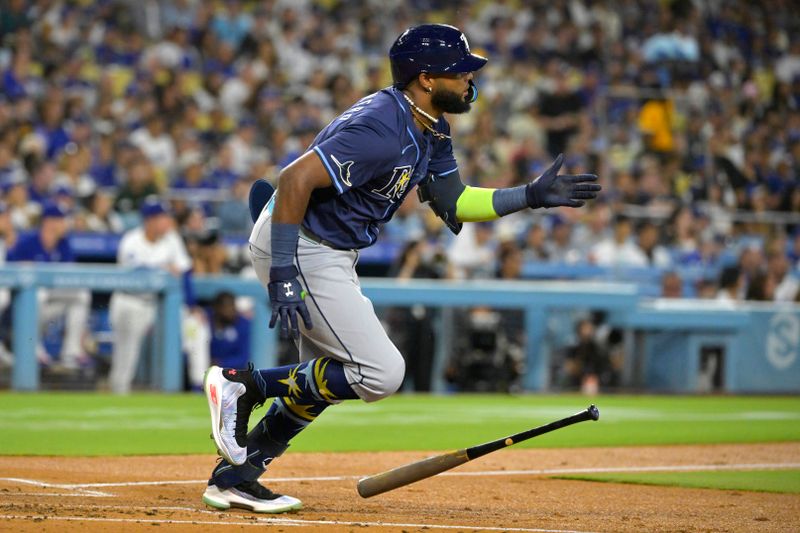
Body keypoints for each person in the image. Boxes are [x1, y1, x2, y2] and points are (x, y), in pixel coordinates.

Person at [202, 23, 600, 514]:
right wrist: (283, 270)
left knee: (323, 380)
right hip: (303, 244)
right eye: (460, 72)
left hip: (327, 249)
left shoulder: (429, 126)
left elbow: (454, 199)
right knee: (380, 373)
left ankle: (235, 477)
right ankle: (244, 384)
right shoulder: (383, 126)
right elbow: (293, 178)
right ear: (426, 79)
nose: (470, 81)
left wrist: (530, 197)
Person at [109, 197, 209, 394]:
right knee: (126, 354)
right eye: (163, 217)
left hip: (161, 305)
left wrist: (192, 306)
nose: (168, 221)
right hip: (131, 301)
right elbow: (134, 274)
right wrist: (162, 269)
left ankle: (200, 384)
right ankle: (118, 392)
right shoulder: (131, 240)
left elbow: (185, 271)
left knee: (196, 327)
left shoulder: (171, 238)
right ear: (150, 220)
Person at [6, 201, 90, 369]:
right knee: (38, 294)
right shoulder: (26, 242)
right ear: (48, 222)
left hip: (51, 302)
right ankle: (33, 348)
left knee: (81, 294)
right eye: (61, 220)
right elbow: (9, 276)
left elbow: (69, 278)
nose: (66, 224)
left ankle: (71, 351)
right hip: (20, 307)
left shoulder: (64, 244)